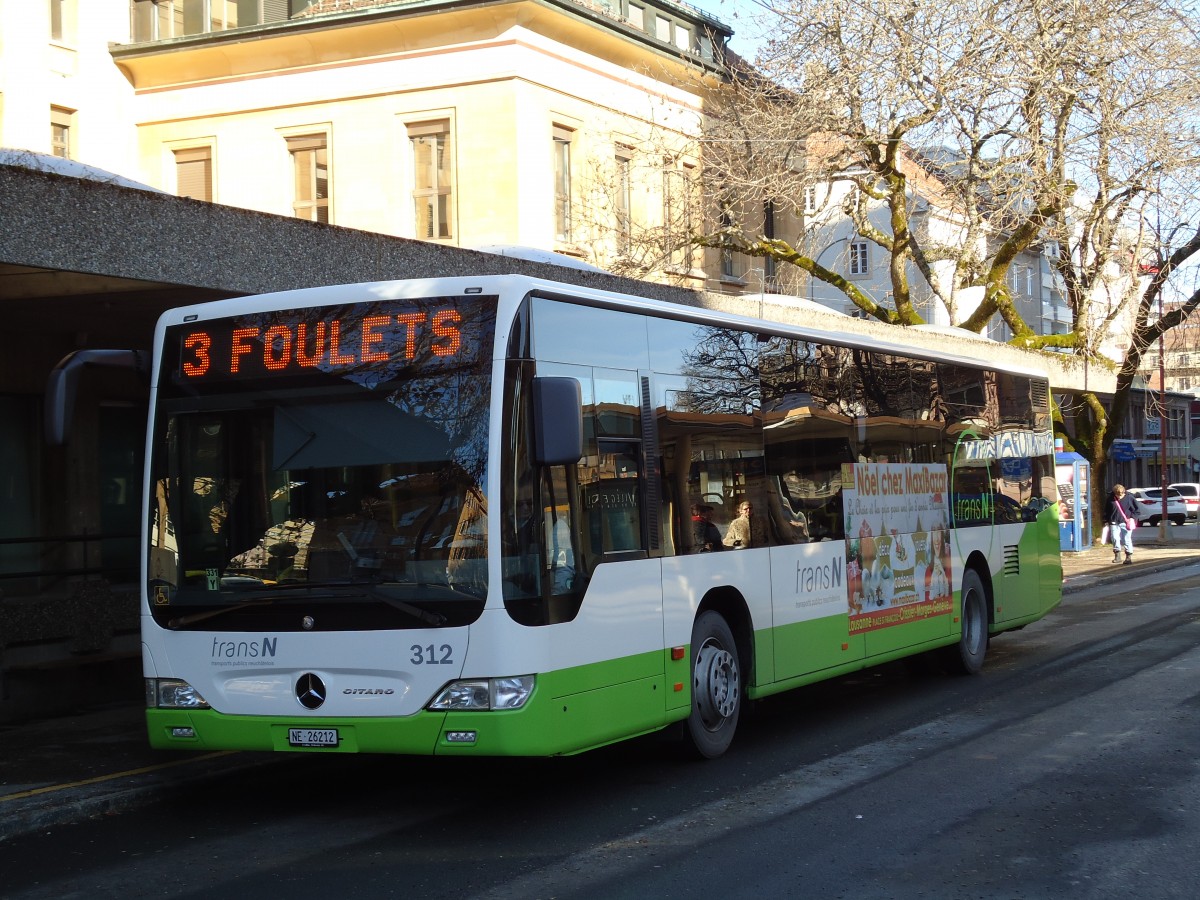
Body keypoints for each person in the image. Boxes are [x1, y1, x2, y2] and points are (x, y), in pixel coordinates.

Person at [1104, 483, 1138, 565]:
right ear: (1114, 493)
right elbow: (1107, 510)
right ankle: (1117, 555)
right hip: (1114, 521)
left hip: (1126, 522)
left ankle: (1128, 557)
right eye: (1118, 495)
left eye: (1121, 495)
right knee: (1115, 538)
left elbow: (1136, 510)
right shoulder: (1110, 499)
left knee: (1127, 539)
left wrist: (1132, 518)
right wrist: (1105, 520)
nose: (1119, 497)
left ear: (1124, 492)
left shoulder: (1130, 498)